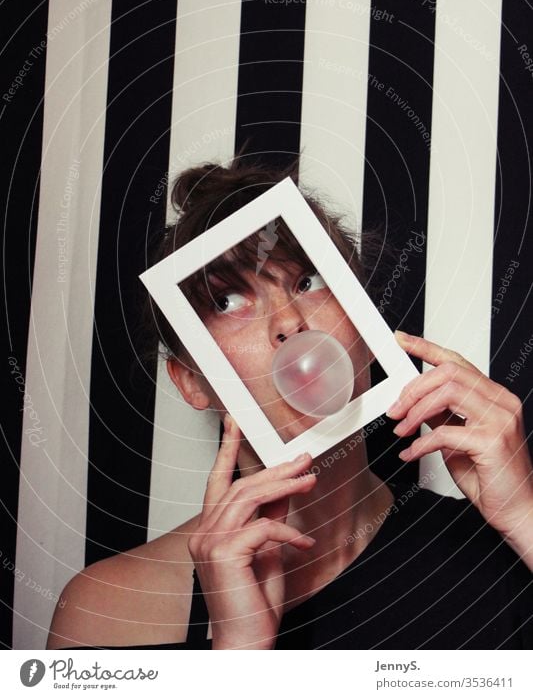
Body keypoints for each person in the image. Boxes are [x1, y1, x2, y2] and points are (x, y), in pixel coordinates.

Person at [47, 158, 533, 650]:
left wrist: (525, 517)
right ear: (192, 381)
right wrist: (237, 656)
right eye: (228, 301)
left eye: (309, 281)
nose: (290, 321)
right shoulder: (105, 612)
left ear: (364, 327)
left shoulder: (498, 552)